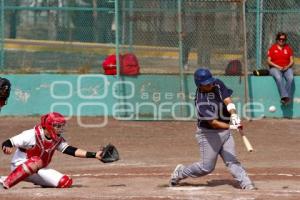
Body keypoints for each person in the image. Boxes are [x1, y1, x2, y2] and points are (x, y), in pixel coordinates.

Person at [169, 68, 256, 190]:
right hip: (208, 134)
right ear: (199, 85)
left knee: (232, 161)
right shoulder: (201, 101)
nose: (210, 85)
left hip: (225, 132)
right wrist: (233, 126)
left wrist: (234, 114)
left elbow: (227, 100)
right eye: (207, 84)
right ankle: (180, 172)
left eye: (211, 81)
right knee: (206, 167)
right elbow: (214, 123)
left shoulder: (217, 84)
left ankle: (247, 184)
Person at [0, 112, 103, 189]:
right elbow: (8, 142)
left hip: (38, 169)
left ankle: (37, 180)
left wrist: (94, 155)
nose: (60, 128)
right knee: (36, 161)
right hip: (19, 166)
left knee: (65, 182)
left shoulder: (56, 138)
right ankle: (6, 181)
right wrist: (7, 147)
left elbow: (70, 150)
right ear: (48, 125)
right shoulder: (31, 134)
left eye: (61, 126)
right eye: (57, 126)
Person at [267, 32, 294, 105]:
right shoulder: (272, 48)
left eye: (283, 39)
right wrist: (278, 66)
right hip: (274, 68)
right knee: (279, 77)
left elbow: (291, 61)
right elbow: (269, 61)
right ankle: (285, 97)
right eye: (280, 39)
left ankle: (284, 98)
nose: (281, 41)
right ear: (277, 39)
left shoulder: (288, 48)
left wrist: (287, 67)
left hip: (286, 68)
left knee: (290, 78)